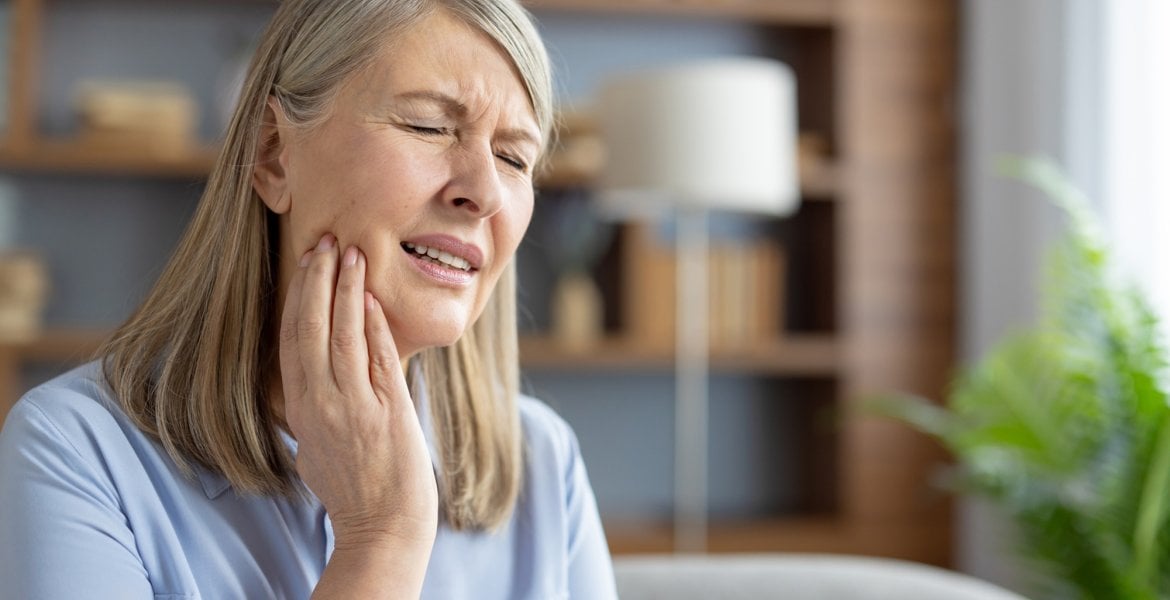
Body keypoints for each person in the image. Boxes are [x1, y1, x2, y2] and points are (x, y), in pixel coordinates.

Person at [0, 0, 618, 597]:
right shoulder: (75, 452)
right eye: (427, 125)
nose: (484, 191)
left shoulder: (545, 465)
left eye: (514, 157)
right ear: (273, 154)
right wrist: (382, 542)